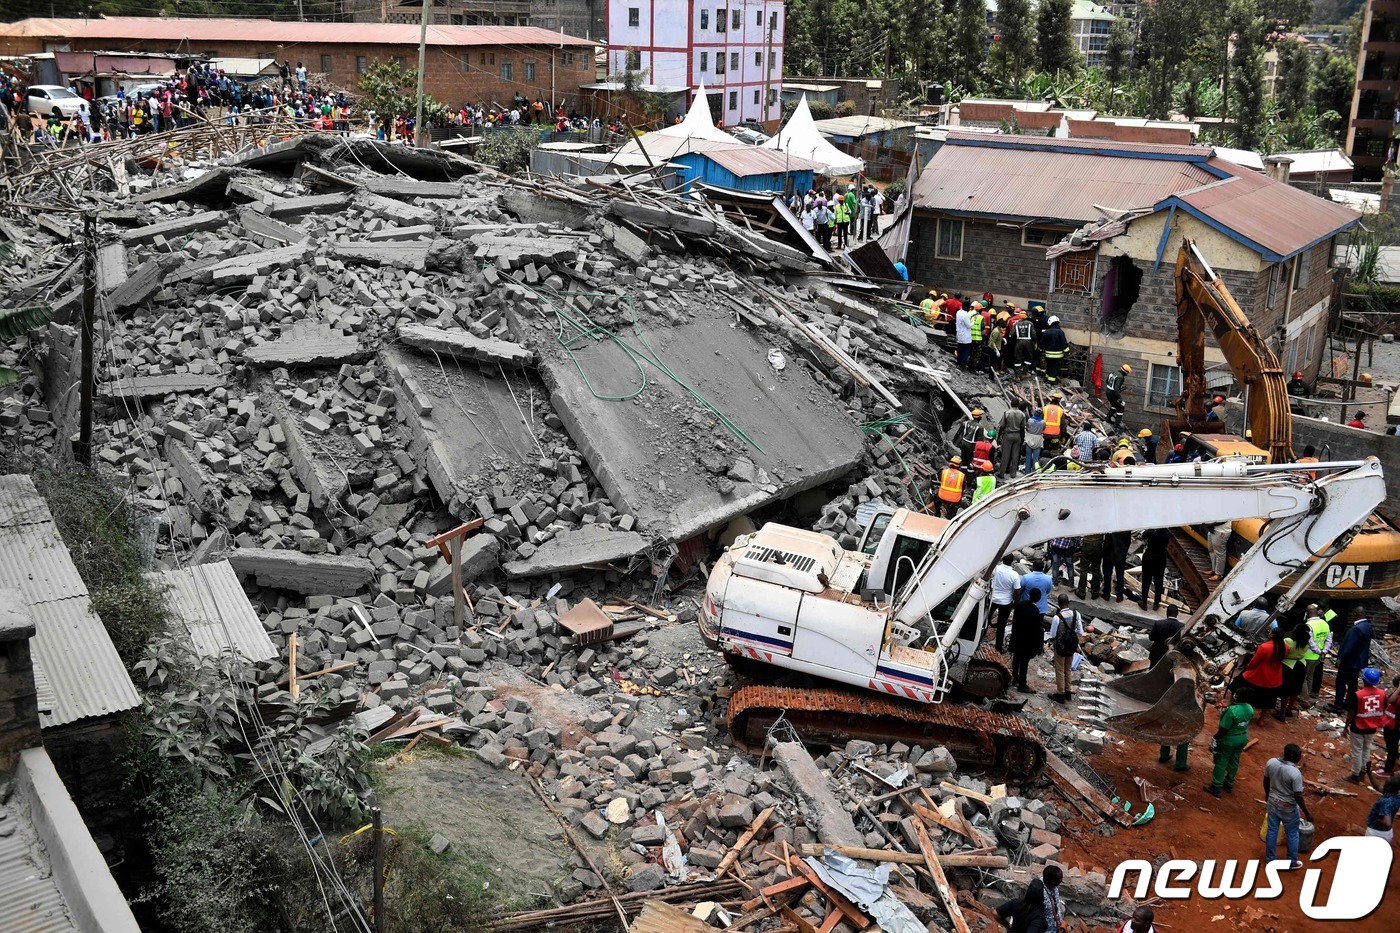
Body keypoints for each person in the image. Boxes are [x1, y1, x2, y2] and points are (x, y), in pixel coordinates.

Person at [1263, 744, 1312, 869]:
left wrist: (1267, 795)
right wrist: (1307, 812)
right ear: (1292, 756)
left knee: (1272, 830)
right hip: (1288, 807)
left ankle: (1270, 859)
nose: (1300, 758)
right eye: (1298, 756)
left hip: (1273, 802)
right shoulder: (1295, 773)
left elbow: (1266, 780)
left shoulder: (1271, 762)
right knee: (1292, 833)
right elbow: (1298, 796)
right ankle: (1292, 862)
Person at [1204, 686, 1255, 796]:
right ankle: (1229, 783)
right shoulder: (1250, 708)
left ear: (1237, 696)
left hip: (1229, 739)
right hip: (1242, 738)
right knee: (1234, 761)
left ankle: (1216, 787)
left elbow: (1223, 729)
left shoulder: (1231, 711)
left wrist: (1214, 738)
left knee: (1221, 761)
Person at [1345, 667, 1387, 784]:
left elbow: (1351, 713)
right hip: (1372, 727)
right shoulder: (1382, 693)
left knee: (1357, 751)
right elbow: (1383, 708)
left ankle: (1355, 775)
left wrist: (1345, 727)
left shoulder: (1358, 695)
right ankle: (1363, 771)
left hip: (1358, 727)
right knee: (1366, 749)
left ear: (1363, 680)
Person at [995, 864, 1064, 933]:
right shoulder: (1040, 920)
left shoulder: (1015, 903)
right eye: (1060, 879)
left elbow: (995, 913)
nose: (1061, 881)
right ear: (1042, 899)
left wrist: (1007, 926)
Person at [1047, 596, 1083, 702]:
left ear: (1059, 603)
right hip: (1071, 646)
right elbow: (1080, 631)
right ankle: (1068, 692)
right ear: (1068, 602)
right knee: (1068, 669)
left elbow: (1053, 634)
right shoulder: (1077, 614)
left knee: (1060, 670)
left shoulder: (1057, 617)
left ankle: (1060, 693)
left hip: (1060, 647)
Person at [1334, 616, 1373, 713]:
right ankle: (1349, 705)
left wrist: (1341, 658)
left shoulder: (1357, 629)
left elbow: (1350, 646)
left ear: (1356, 614)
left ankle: (1338, 706)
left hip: (1349, 661)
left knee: (1341, 682)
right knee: (1352, 684)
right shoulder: (1368, 627)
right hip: (1358, 661)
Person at [1010, 587, 1045, 693]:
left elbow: (1014, 621)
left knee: (1016, 659)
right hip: (1028, 641)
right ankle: (1022, 684)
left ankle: (1015, 677)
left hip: (1017, 637)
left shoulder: (1020, 605)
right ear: (1038, 598)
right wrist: (1039, 644)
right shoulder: (1035, 611)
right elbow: (1037, 630)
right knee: (1024, 662)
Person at [1276, 621, 1310, 720]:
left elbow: (1282, 652)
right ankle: (1289, 710)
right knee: (1295, 690)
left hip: (1288, 665)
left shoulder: (1288, 641)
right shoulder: (1306, 643)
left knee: (1285, 690)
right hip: (1301, 665)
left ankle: (1281, 713)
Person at [990, 555, 1022, 653]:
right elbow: (1017, 592)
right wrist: (1015, 604)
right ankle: (999, 647)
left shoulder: (996, 569)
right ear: (1012, 562)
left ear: (1002, 559)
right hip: (1006, 602)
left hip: (993, 599)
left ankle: (979, 637)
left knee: (985, 620)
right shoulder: (1014, 574)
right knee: (1001, 625)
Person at [1138, 527, 1170, 610]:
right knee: (1158, 582)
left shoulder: (1151, 532)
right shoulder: (1167, 534)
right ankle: (1156, 603)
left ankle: (1144, 601)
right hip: (1161, 559)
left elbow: (1144, 535)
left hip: (1149, 557)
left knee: (1146, 580)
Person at [1366, 774, 1400, 841]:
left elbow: (1387, 823)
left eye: (1386, 783)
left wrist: (1377, 821)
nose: (1383, 783)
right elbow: (1378, 787)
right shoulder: (1395, 796)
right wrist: (1369, 772)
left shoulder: (1386, 802)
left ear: (1389, 787)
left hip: (1376, 834)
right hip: (1387, 833)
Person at [998, 402, 1027, 479]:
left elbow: (1002, 426)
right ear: (1018, 405)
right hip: (1017, 435)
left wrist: (999, 436)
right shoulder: (1022, 414)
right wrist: (1022, 438)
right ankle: (1013, 474)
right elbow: (1022, 428)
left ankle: (1002, 473)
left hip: (1008, 435)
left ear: (1011, 404)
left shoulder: (1007, 413)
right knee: (1015, 455)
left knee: (1005, 455)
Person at [1100, 531, 1129, 602]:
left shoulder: (1111, 528)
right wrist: (1123, 554)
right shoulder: (1126, 529)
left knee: (1107, 575)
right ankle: (1120, 595)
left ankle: (1106, 593)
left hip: (1109, 555)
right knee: (1120, 575)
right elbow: (1127, 543)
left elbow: (1107, 542)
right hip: (1120, 556)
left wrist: (1103, 553)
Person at [1039, 315, 1068, 382]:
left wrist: (1040, 349)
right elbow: (1064, 343)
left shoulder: (1046, 332)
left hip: (1048, 355)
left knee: (1049, 367)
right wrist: (1067, 352)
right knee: (1054, 368)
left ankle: (1047, 378)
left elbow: (1042, 343)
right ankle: (1051, 381)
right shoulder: (1060, 332)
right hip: (1058, 356)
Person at [1382, 673, 1400, 776]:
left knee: (1391, 747)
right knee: (1391, 747)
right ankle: (1392, 764)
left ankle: (1388, 769)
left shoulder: (1398, 696)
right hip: (1389, 724)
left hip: (1394, 726)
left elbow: (1392, 700)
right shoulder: (1397, 694)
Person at [1075, 533, 1102, 601]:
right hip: (1098, 545)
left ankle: (1081, 592)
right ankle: (1095, 592)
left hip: (1087, 543)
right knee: (1096, 570)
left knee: (1084, 570)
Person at [1024, 408, 1044, 475]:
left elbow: (1027, 428)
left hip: (1029, 438)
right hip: (1038, 440)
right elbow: (1043, 429)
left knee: (1028, 457)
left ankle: (1027, 473)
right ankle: (1034, 473)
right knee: (1036, 459)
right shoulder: (1043, 422)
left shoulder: (1030, 420)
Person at [954, 301, 972, 368]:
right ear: (966, 307)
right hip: (965, 337)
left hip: (959, 334)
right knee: (965, 351)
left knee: (960, 349)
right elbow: (968, 325)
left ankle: (958, 363)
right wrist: (973, 322)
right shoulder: (965, 314)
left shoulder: (958, 312)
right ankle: (962, 364)